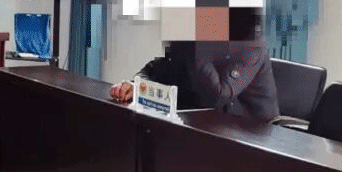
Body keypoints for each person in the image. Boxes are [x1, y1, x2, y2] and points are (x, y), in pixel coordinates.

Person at [108, 39, 279, 121]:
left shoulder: (250, 44)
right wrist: (137, 86)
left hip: (255, 136)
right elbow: (155, 69)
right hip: (206, 127)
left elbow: (218, 96)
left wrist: (198, 49)